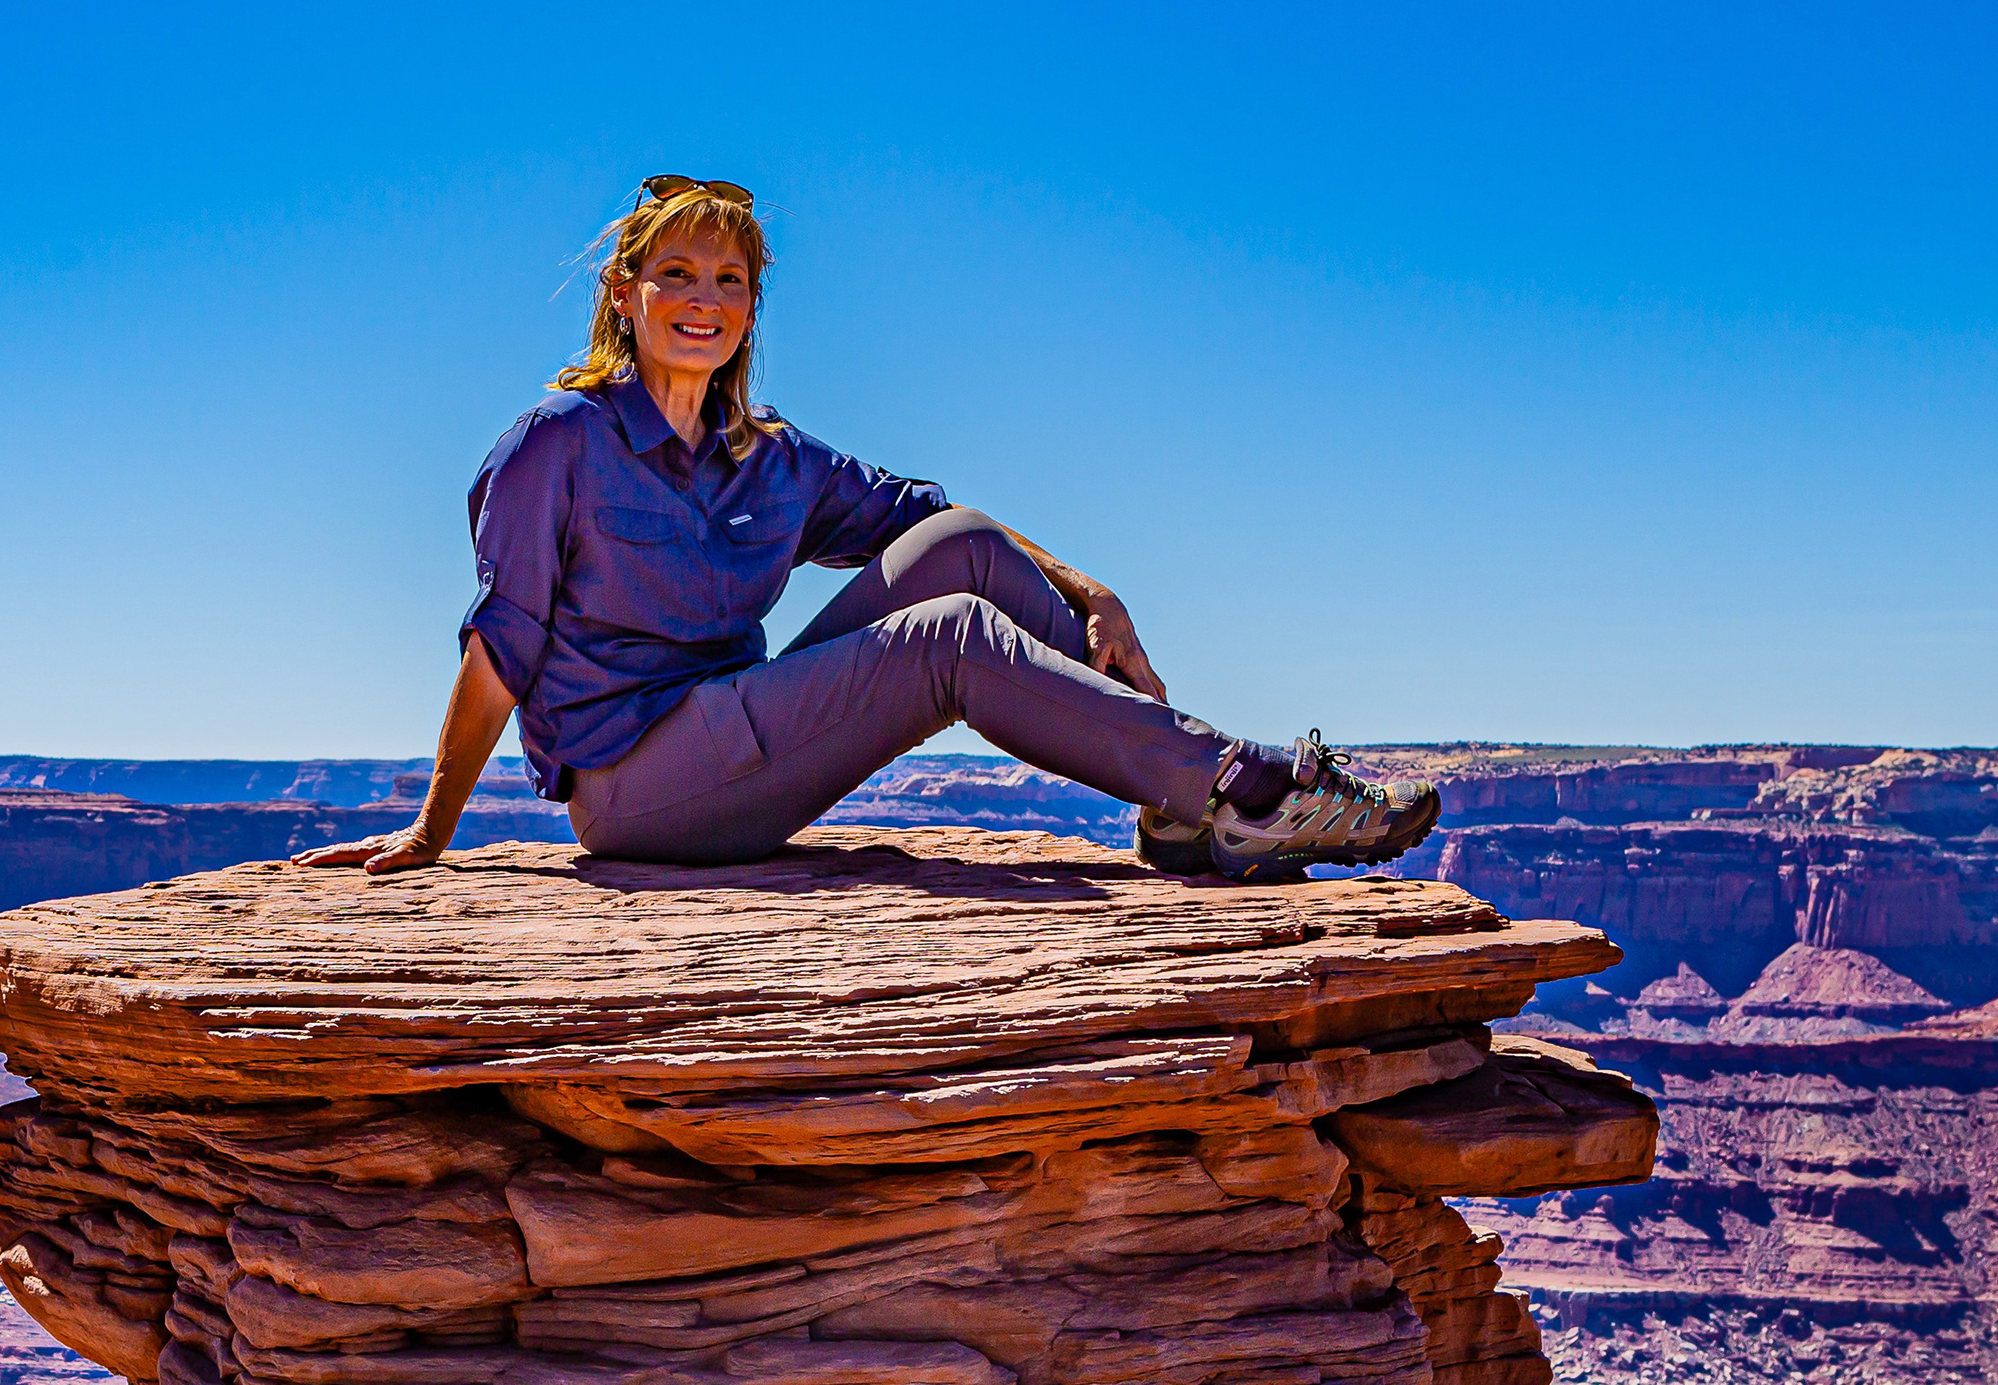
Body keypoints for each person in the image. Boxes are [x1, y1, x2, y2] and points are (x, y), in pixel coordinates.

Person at [299, 175, 1441, 879]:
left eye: (730, 280)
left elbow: (930, 518)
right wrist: (431, 832)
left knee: (968, 550)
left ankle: (1179, 807)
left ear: (751, 308)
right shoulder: (557, 443)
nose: (704, 299)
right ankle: (1241, 786)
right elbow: (500, 647)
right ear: (624, 294)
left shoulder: (769, 455)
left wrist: (1090, 590)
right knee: (949, 640)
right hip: (638, 789)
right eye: (676, 274)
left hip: (744, 729)